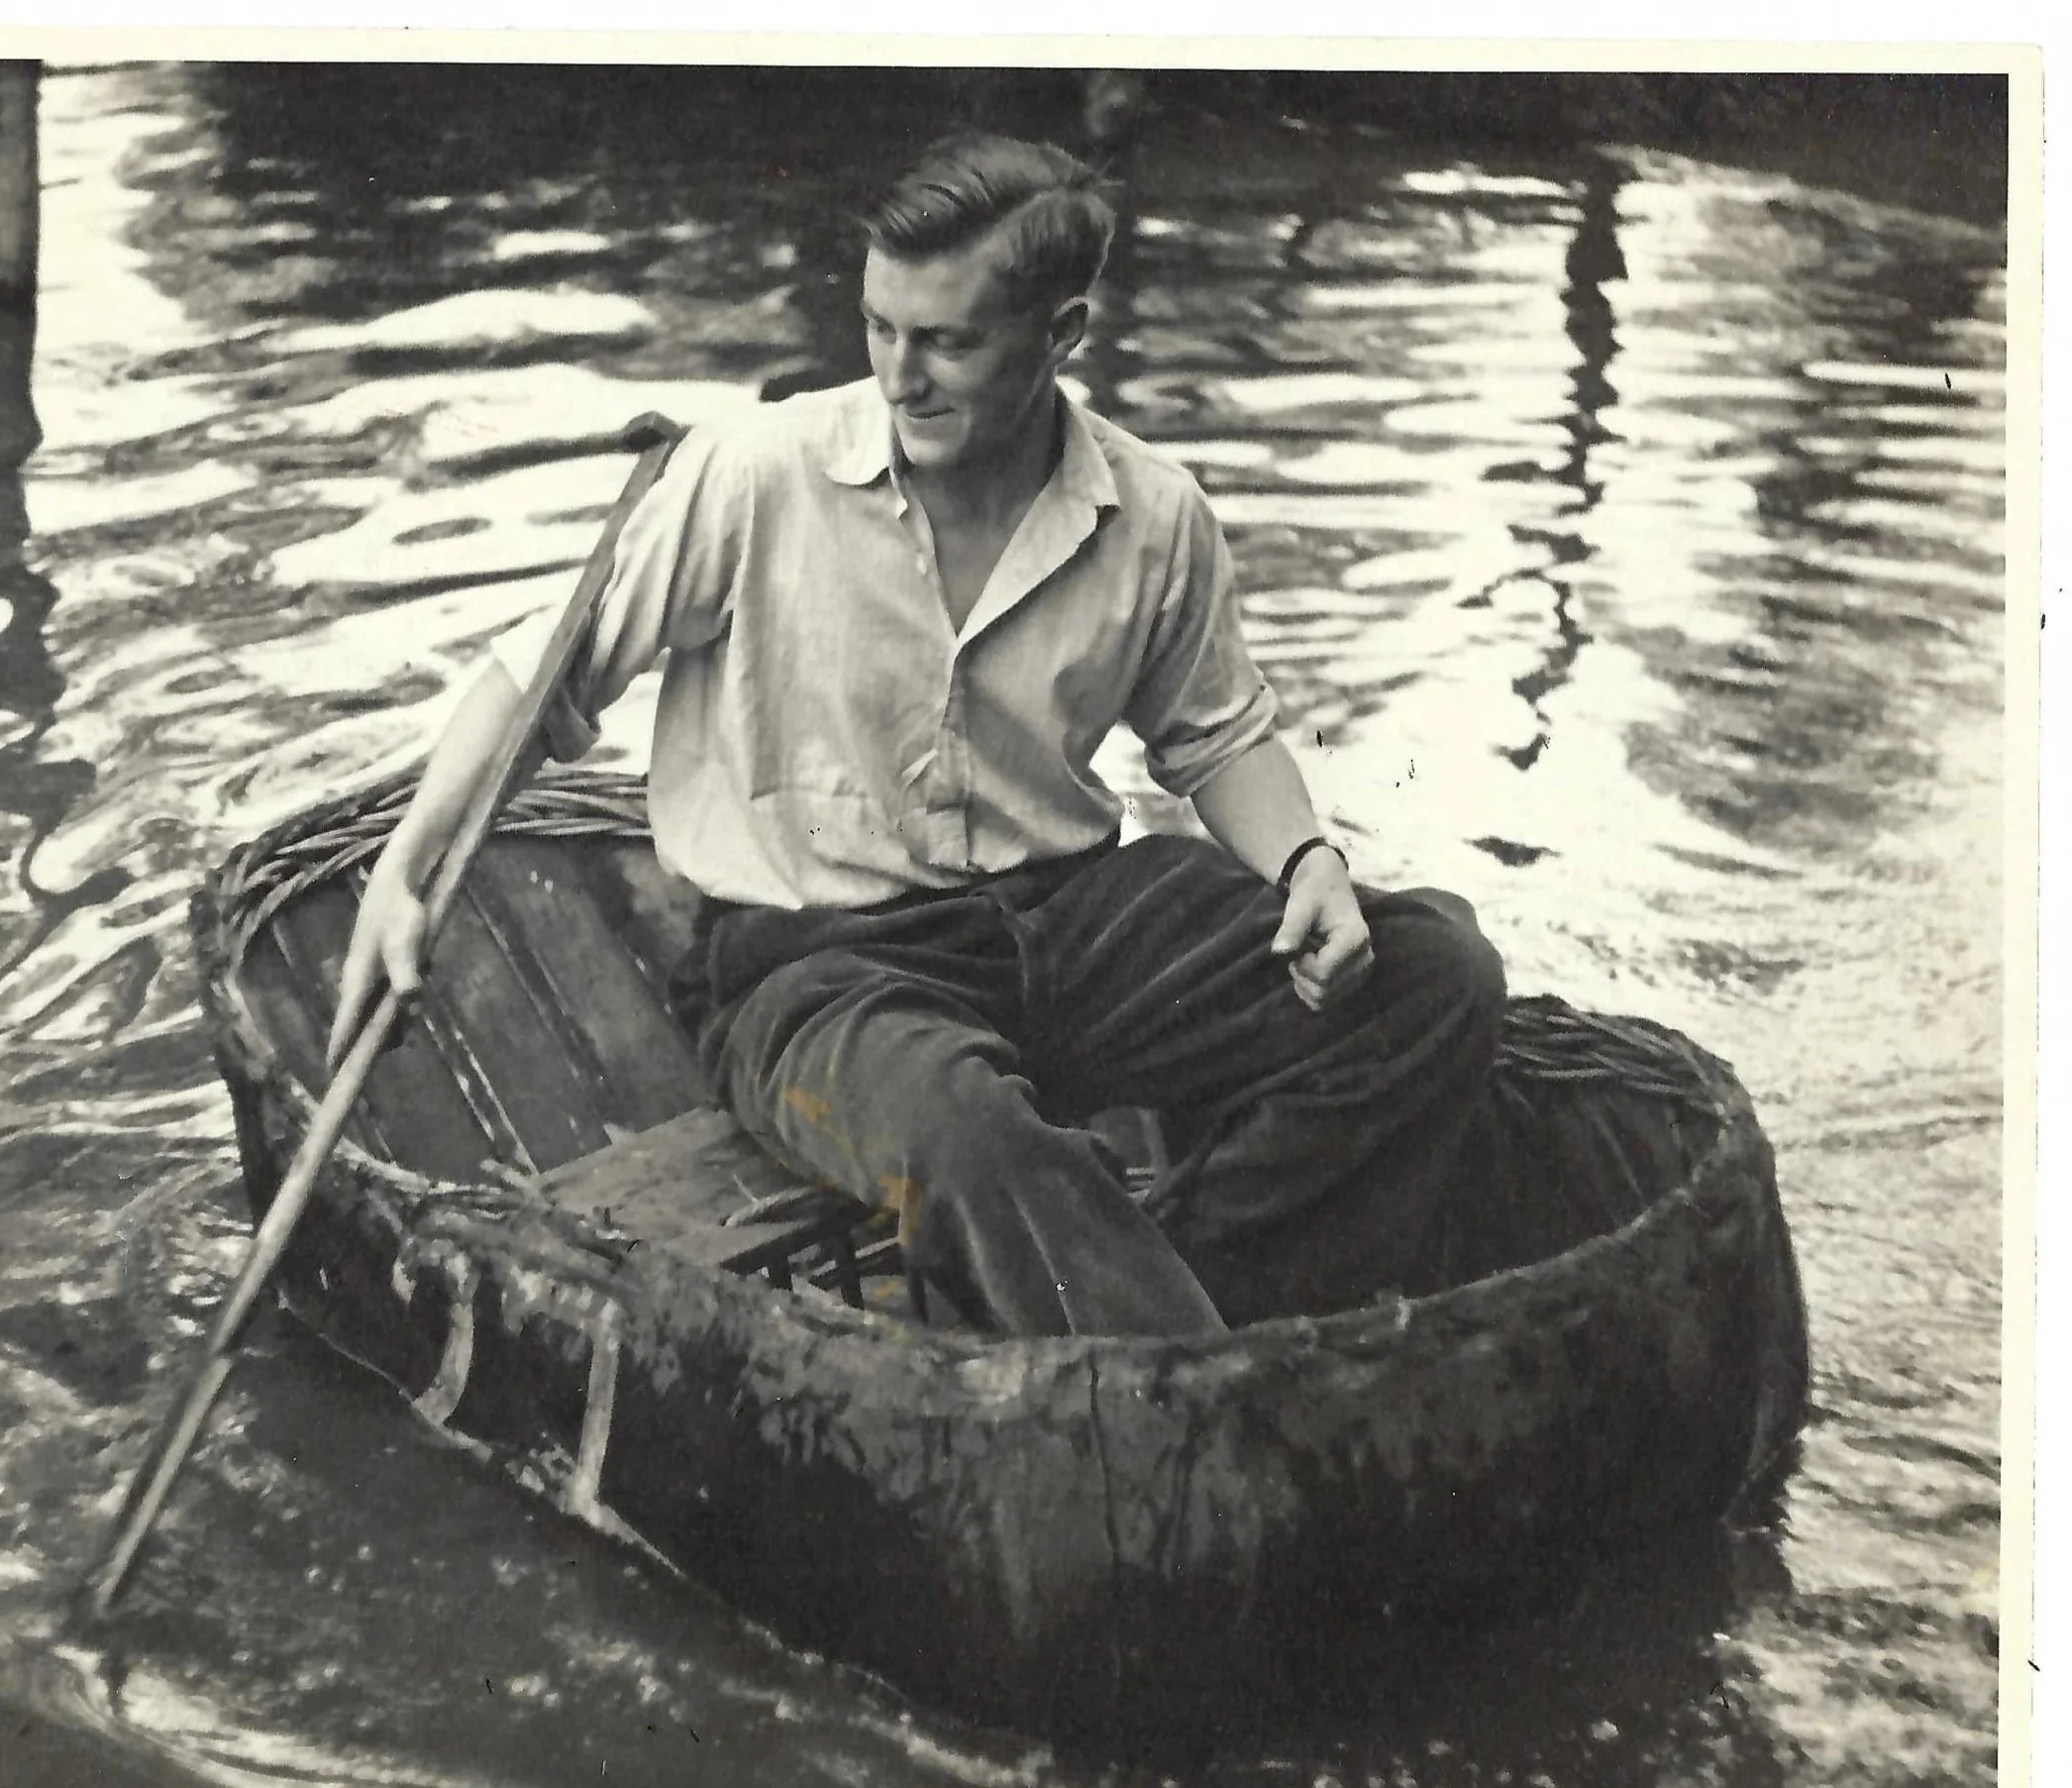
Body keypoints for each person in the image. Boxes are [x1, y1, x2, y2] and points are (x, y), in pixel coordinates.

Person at [332, 134, 1505, 1338]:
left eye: (947, 342)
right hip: (816, 972)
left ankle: (1204, 1301)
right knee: (969, 1138)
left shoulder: (1154, 513)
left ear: (1061, 335)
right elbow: (535, 680)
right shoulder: (753, 473)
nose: (900, 377)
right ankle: (1175, 1374)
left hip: (1067, 929)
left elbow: (1218, 739)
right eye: (879, 328)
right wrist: (403, 874)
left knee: (1437, 975)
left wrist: (1308, 862)